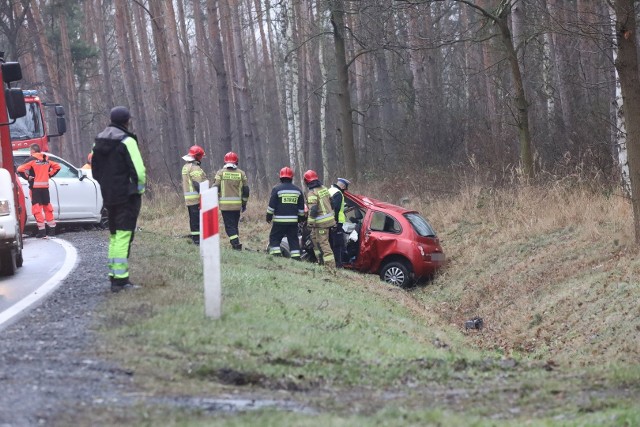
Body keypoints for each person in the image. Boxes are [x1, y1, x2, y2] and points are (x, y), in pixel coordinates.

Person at [92, 106, 146, 292]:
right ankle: (121, 281)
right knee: (124, 235)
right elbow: (139, 171)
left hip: (109, 195)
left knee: (115, 236)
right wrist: (138, 190)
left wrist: (106, 187)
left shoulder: (98, 141)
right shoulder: (127, 141)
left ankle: (114, 275)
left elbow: (95, 170)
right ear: (127, 121)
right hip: (126, 196)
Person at [17, 143, 61, 238]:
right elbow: (57, 167)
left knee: (37, 209)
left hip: (35, 188)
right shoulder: (45, 157)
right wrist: (49, 174)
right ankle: (52, 230)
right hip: (45, 187)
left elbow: (20, 169)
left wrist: (27, 177)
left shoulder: (32, 159)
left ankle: (42, 232)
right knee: (47, 207)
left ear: (32, 150)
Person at [266, 167, 305, 259]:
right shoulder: (298, 190)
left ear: (280, 177)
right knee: (293, 239)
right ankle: (296, 257)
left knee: (275, 238)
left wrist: (269, 217)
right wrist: (300, 219)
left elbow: (271, 206)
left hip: (279, 221)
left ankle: (276, 256)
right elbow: (301, 209)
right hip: (293, 222)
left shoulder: (276, 189)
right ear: (291, 177)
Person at [213, 151, 249, 250]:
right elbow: (246, 190)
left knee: (229, 227)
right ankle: (235, 244)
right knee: (234, 225)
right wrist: (244, 203)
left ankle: (236, 244)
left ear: (225, 162)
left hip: (225, 206)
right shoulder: (241, 173)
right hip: (237, 205)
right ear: (236, 162)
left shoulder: (220, 173)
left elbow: (216, 187)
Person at [303, 169, 336, 268]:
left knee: (323, 243)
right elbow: (332, 202)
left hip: (321, 223)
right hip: (328, 220)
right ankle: (320, 261)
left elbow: (313, 209)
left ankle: (330, 266)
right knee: (314, 238)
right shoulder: (324, 188)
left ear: (307, 181)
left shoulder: (312, 193)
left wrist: (309, 223)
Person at [182, 145, 207, 245]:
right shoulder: (194, 168)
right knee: (196, 220)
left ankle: (195, 238)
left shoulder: (186, 166)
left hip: (189, 198)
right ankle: (197, 241)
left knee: (193, 220)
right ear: (197, 156)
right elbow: (197, 184)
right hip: (196, 198)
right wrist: (205, 195)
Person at [328, 178, 351, 267]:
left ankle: (331, 262)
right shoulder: (338, 194)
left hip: (327, 221)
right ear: (343, 186)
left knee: (330, 242)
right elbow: (336, 209)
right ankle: (338, 264)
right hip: (336, 223)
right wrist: (335, 223)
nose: (345, 191)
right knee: (338, 244)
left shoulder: (329, 190)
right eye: (345, 188)